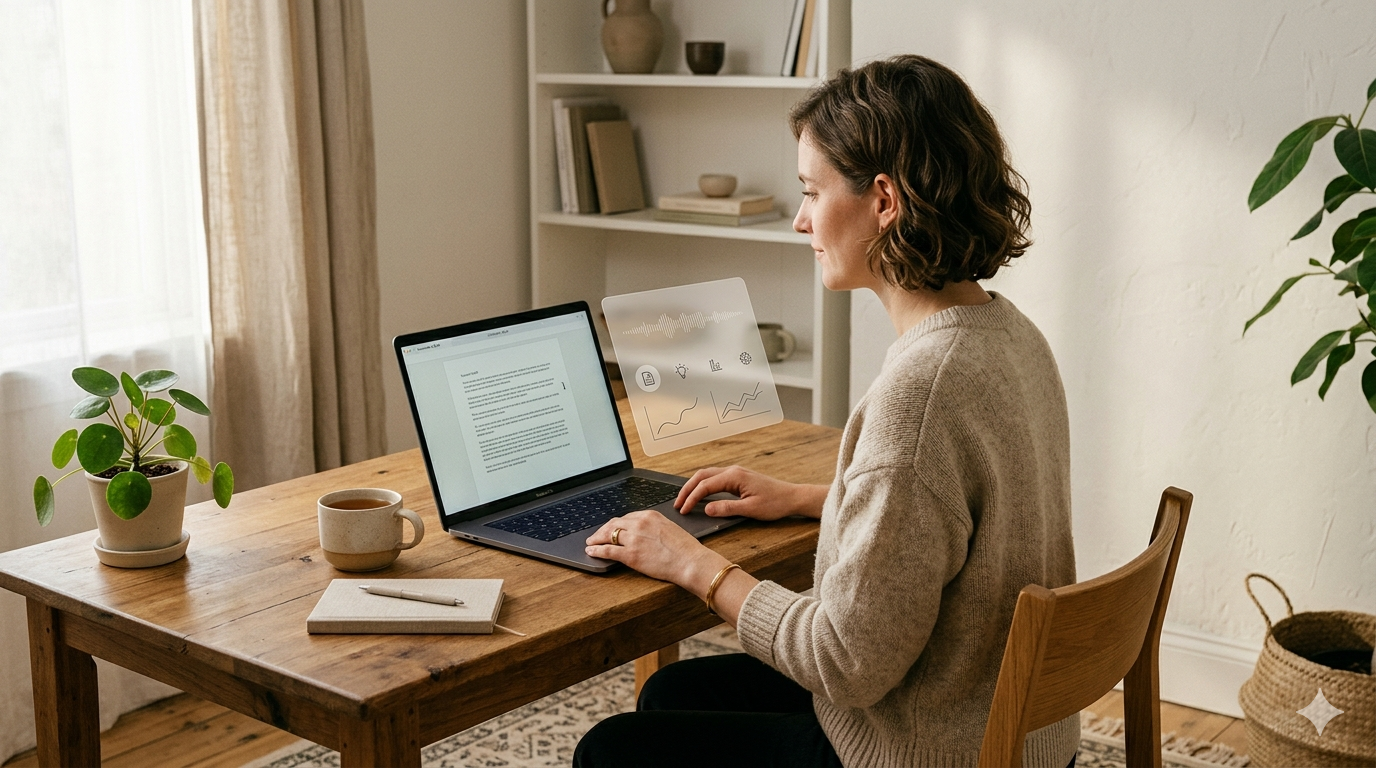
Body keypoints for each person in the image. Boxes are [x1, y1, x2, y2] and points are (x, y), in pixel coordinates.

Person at [573, 54, 1078, 768]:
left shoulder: (922, 392)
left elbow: (844, 663)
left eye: (811, 192)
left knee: (612, 750)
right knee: (674, 694)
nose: (801, 220)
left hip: (927, 745)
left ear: (883, 200)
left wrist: (690, 564)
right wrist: (811, 497)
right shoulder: (1008, 334)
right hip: (1008, 722)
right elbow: (953, 514)